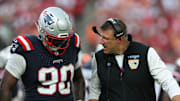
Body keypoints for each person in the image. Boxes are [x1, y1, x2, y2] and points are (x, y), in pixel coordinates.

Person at [0, 7, 85, 101]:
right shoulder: (27, 49)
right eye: (55, 40)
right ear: (42, 31)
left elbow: (79, 79)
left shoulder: (73, 43)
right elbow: (6, 87)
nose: (60, 45)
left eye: (64, 40)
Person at [88, 18, 180, 101]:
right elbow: (94, 91)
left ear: (120, 39)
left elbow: (168, 82)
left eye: (106, 38)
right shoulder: (98, 58)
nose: (101, 42)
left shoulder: (146, 53)